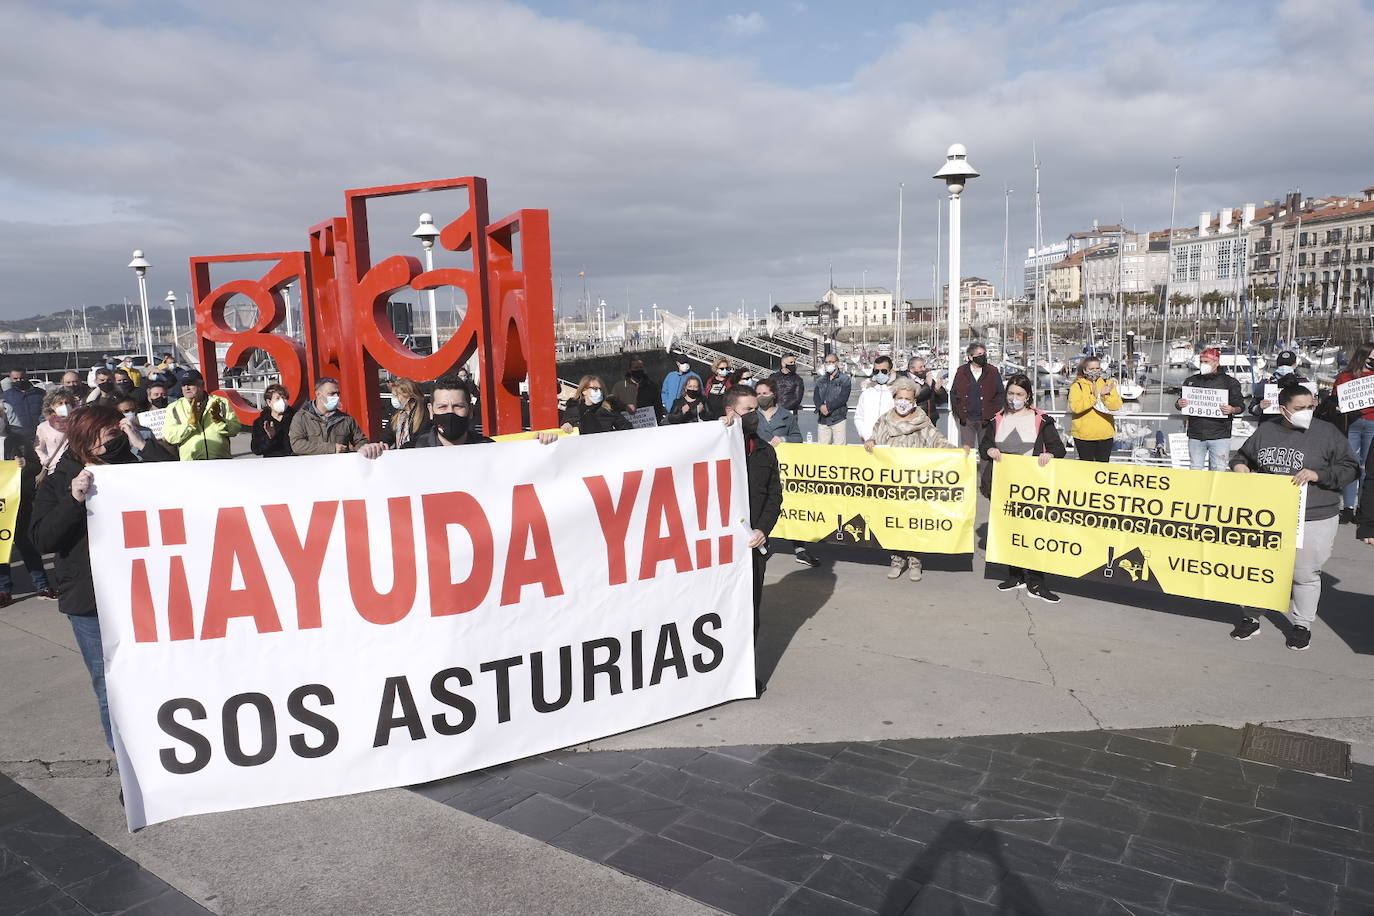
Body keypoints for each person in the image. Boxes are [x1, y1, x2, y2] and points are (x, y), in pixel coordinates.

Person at [30, 406, 175, 751]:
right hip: (91, 602)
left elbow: (178, 487)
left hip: (145, 594)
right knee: (110, 685)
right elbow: (42, 539)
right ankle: (129, 765)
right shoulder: (60, 480)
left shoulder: (132, 467)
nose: (115, 442)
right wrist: (73, 500)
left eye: (118, 434)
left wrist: (142, 444)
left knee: (158, 678)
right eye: (108, 437)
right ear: (85, 440)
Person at [1229, 386, 1359, 649]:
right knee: (1260, 569)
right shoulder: (1266, 431)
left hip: (1315, 515)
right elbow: (1243, 456)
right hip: (1271, 515)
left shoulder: (1327, 432)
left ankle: (1301, 624)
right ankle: (1252, 617)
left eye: (1310, 407)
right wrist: (1239, 465)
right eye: (1299, 408)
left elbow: (1351, 468)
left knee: (1305, 572)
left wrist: (1318, 475)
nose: (1306, 413)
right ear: (1283, 409)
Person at [980, 374, 1068, 602]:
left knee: (1034, 533)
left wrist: (1049, 454)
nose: (1014, 398)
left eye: (1019, 394)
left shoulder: (1041, 419)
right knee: (1010, 530)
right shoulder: (997, 419)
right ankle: (1015, 575)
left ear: (1027, 396)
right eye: (1011, 393)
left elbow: (1059, 448)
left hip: (1033, 487)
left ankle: (1037, 581)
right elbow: (985, 445)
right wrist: (989, 450)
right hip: (1003, 486)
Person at [863, 377, 958, 582]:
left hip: (916, 482)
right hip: (891, 482)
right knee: (894, 521)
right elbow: (875, 439)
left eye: (908, 398)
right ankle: (897, 559)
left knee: (914, 520)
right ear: (894, 398)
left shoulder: (923, 421)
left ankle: (915, 560)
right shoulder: (884, 420)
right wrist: (870, 442)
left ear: (914, 400)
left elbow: (938, 441)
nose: (903, 402)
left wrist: (959, 453)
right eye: (900, 398)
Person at [719, 387, 782, 639]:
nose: (754, 415)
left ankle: (747, 673)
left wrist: (763, 530)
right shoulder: (714, 445)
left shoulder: (766, 451)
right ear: (730, 411)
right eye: (748, 411)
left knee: (751, 610)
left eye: (756, 410)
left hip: (753, 544)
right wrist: (718, 428)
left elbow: (774, 497)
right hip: (721, 547)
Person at [755, 378, 818, 569]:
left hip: (783, 467)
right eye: (758, 393)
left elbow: (797, 438)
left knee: (790, 506)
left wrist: (783, 439)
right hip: (759, 466)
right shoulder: (752, 415)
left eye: (765, 393)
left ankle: (799, 548)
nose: (761, 397)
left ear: (773, 393)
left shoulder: (786, 416)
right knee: (761, 504)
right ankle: (762, 543)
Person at [0, 417, 57, 605]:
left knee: (25, 543)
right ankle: (3, 590)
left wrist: (25, 465)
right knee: (2, 547)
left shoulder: (18, 440)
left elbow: (36, 465)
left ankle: (42, 585)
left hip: (18, 500)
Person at [1176, 347, 1245, 470]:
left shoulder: (1230, 382)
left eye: (1206, 362)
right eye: (1201, 361)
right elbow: (1179, 403)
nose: (1203, 364)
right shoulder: (1191, 381)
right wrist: (1179, 403)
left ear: (1216, 362)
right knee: (1195, 470)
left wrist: (1232, 409)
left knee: (1218, 470)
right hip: (1196, 435)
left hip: (1220, 436)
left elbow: (1240, 406)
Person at [289, 378, 386, 458]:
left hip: (338, 471)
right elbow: (297, 445)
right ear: (318, 394)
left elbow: (361, 441)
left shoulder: (346, 420)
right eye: (331, 394)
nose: (336, 397)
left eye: (338, 394)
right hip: (312, 470)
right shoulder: (301, 417)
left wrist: (364, 448)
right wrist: (331, 448)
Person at [1333, 341, 1374, 525]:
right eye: (1370, 358)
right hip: (1352, 423)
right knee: (1351, 465)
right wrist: (1337, 407)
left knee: (1367, 468)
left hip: (1373, 424)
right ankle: (1348, 507)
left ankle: (1363, 510)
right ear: (1362, 357)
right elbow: (1335, 398)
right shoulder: (1345, 376)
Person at [162, 370, 242, 461]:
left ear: (202, 385)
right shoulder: (174, 408)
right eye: (183, 385)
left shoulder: (220, 402)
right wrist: (190, 424)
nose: (186, 388)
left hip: (220, 461)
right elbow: (170, 437)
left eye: (191, 384)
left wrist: (220, 421)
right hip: (192, 464)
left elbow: (235, 429)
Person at [410, 375, 493, 447]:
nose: (450, 412)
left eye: (458, 406)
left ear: (470, 410)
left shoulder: (489, 449)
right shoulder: (411, 452)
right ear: (431, 410)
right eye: (442, 407)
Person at [950, 343, 1005, 450]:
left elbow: (1000, 393)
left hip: (986, 419)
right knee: (967, 451)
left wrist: (993, 412)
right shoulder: (961, 371)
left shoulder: (992, 371)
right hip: (967, 419)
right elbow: (954, 392)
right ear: (971, 357)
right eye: (979, 354)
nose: (983, 356)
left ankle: (985, 467)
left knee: (986, 450)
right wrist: (959, 412)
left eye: (984, 354)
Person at [1067, 357, 1122, 462]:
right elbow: (1076, 407)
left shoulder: (1107, 383)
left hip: (1105, 435)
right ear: (1084, 370)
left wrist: (1105, 395)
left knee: (1102, 468)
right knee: (1087, 469)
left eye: (1097, 368)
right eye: (1091, 369)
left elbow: (1116, 406)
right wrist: (1094, 397)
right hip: (1084, 436)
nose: (1095, 371)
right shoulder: (1077, 386)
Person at [1248, 350, 1310, 426]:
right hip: (1270, 427)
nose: (1285, 367)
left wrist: (1314, 405)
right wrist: (1259, 407)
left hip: (1296, 429)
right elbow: (1252, 409)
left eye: (1289, 365)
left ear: (1294, 365)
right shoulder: (1265, 383)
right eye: (1282, 365)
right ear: (1277, 365)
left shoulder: (1304, 383)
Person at [560, 376, 632, 435]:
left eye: (601, 389)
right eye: (595, 389)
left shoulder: (608, 408)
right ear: (584, 391)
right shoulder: (573, 409)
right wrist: (566, 427)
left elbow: (627, 428)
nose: (599, 392)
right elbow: (564, 429)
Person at [35, 389, 78, 476]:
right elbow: (38, 449)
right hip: (55, 469)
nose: (64, 406)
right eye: (60, 403)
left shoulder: (78, 423)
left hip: (76, 467)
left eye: (67, 403)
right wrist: (46, 461)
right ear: (51, 406)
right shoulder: (44, 427)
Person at [853, 356, 896, 443]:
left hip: (891, 443)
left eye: (883, 371)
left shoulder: (898, 392)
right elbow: (859, 417)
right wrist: (864, 435)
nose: (880, 374)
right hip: (869, 442)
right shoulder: (866, 393)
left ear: (890, 371)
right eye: (876, 371)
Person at [813, 352, 851, 445]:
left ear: (837, 363)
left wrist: (828, 407)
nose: (828, 364)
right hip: (823, 419)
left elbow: (843, 398)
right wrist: (820, 407)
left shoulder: (845, 379)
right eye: (826, 362)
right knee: (823, 449)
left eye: (831, 362)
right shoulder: (820, 380)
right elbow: (816, 396)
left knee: (839, 449)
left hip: (838, 418)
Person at [250, 384, 296, 457]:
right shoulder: (260, 422)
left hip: (293, 460)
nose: (282, 401)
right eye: (277, 398)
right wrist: (269, 437)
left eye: (284, 398)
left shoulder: (296, 418)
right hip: (271, 462)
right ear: (269, 402)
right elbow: (256, 449)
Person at [2, 368, 46, 439]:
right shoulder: (5, 397)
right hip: (16, 437)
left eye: (22, 378)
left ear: (26, 377)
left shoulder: (40, 393)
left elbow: (47, 413)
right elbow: (4, 419)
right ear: (10, 378)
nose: (19, 381)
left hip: (39, 435)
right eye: (15, 378)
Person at [383, 378, 426, 449]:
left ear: (407, 396)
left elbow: (422, 439)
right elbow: (387, 433)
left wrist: (405, 448)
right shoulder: (397, 414)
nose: (393, 398)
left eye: (396, 395)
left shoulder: (423, 414)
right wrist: (383, 443)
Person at [907, 357, 947, 425]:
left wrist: (938, 390)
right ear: (911, 369)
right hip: (915, 419)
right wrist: (928, 385)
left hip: (931, 419)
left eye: (924, 366)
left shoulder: (927, 379)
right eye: (920, 367)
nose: (924, 369)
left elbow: (943, 399)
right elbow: (915, 396)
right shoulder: (906, 380)